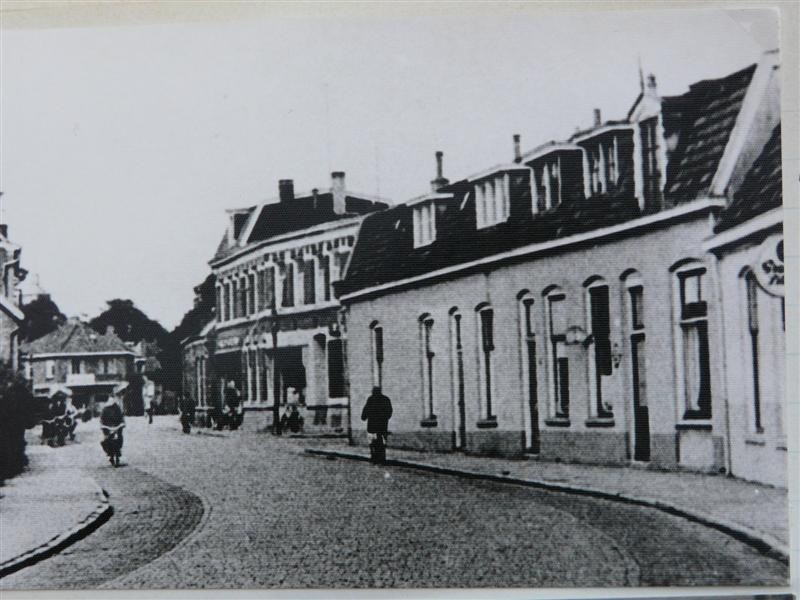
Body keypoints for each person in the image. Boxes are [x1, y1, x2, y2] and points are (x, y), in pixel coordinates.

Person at [361, 386, 393, 464]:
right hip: (382, 426)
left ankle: (374, 457)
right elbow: (389, 411)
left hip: (372, 426)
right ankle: (381, 458)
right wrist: (385, 418)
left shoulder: (371, 399)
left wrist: (364, 417)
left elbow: (366, 410)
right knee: (381, 442)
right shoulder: (385, 399)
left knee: (373, 442)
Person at [100, 383, 127, 467]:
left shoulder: (117, 408)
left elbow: (121, 417)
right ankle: (109, 453)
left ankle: (118, 452)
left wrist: (122, 424)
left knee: (120, 438)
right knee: (104, 441)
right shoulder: (105, 409)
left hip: (116, 426)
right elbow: (102, 419)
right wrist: (103, 426)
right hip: (108, 428)